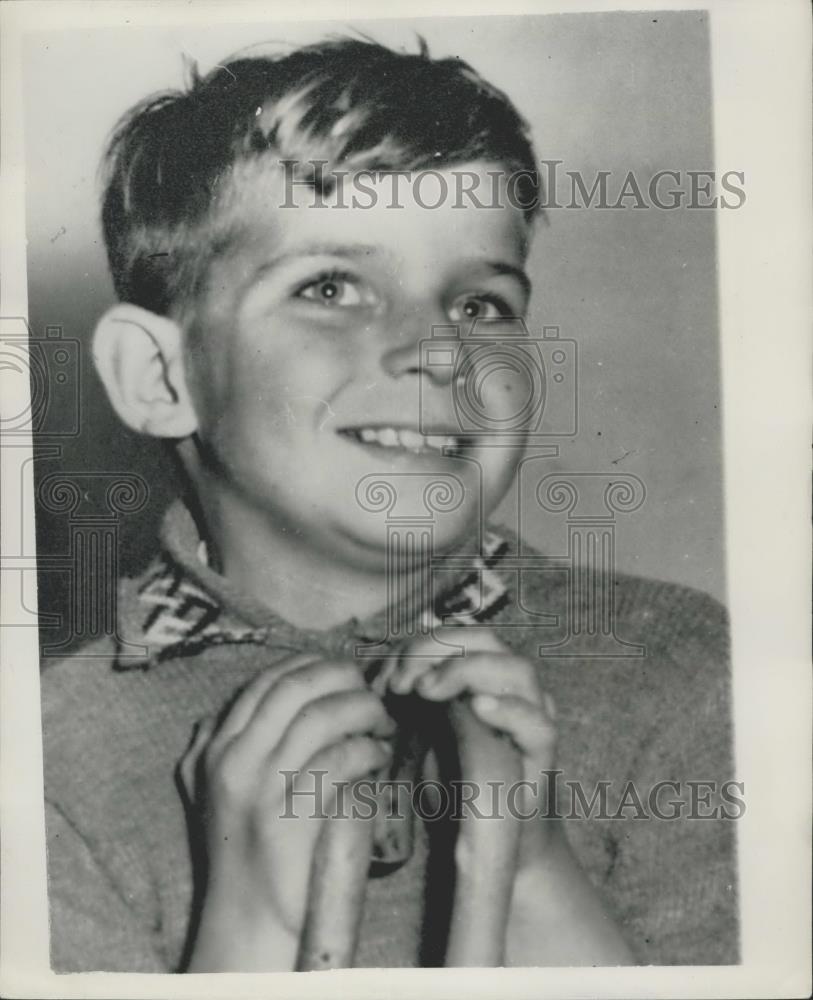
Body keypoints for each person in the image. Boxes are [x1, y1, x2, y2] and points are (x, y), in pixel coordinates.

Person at [40, 36, 738, 972]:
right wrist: (247, 930)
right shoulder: (44, 756)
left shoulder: (685, 673)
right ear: (161, 375)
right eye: (331, 287)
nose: (441, 351)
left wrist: (528, 878)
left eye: (481, 305)